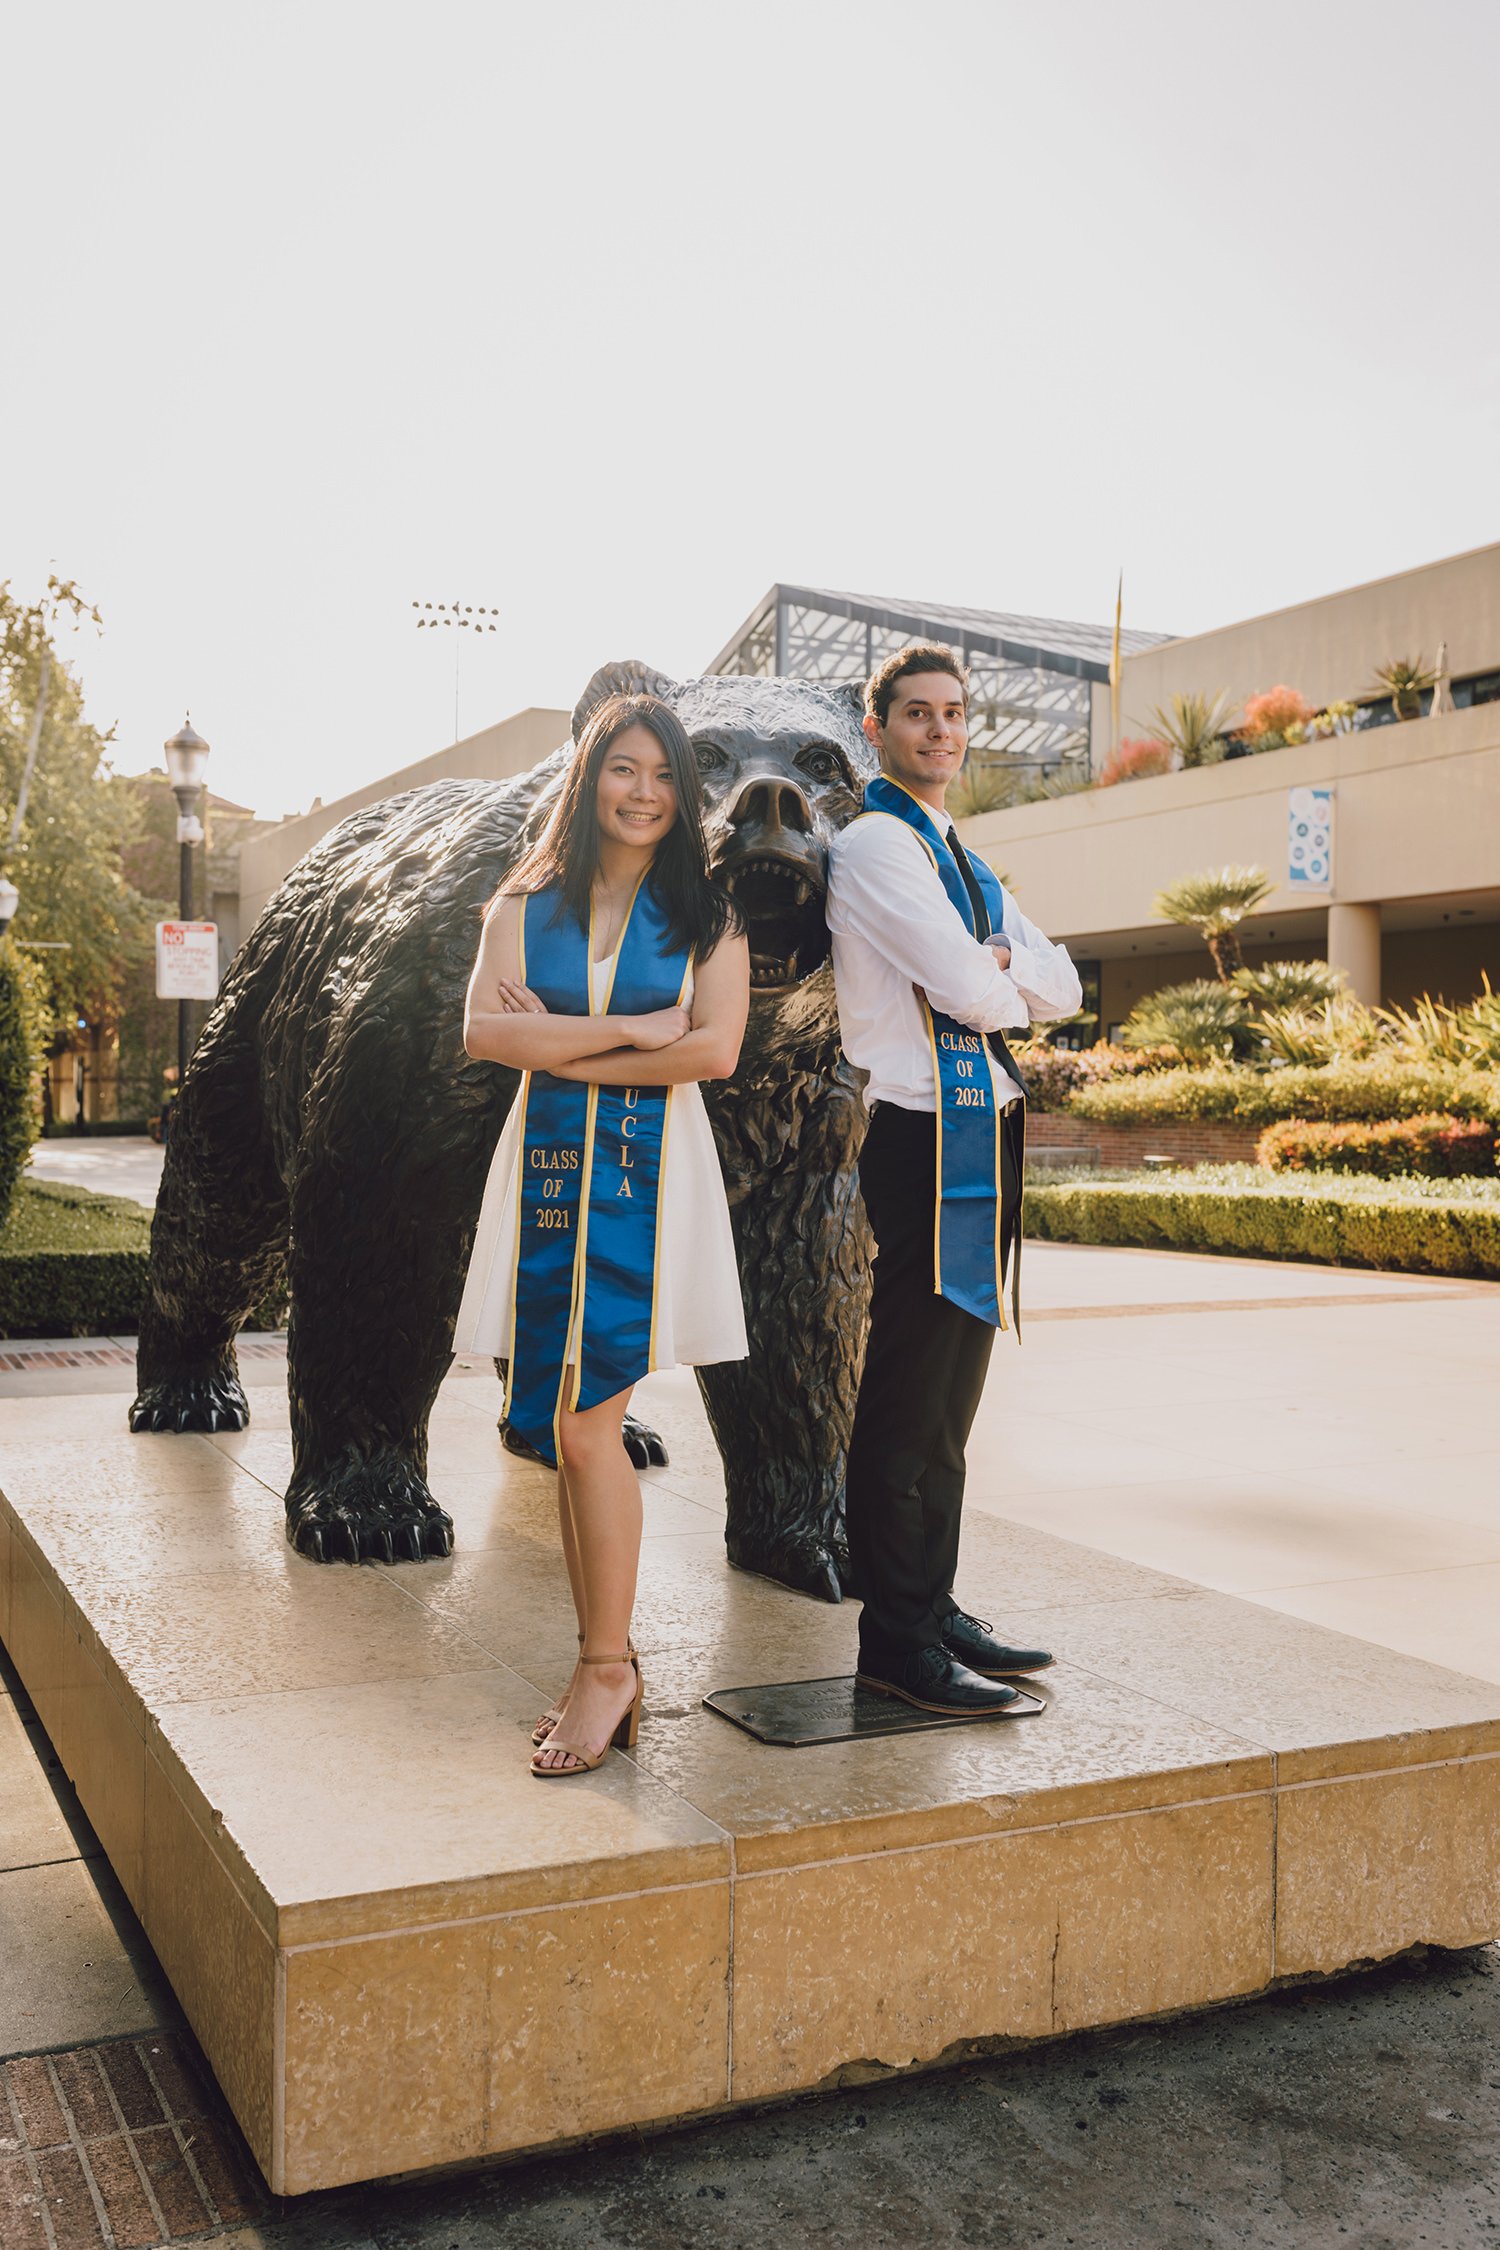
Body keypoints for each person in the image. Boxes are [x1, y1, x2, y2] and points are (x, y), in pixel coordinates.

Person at [458, 691, 750, 1776]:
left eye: (665, 775)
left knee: (584, 1429)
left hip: (650, 1182)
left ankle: (608, 1666)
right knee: (572, 1430)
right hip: (544, 1175)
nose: (644, 793)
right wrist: (630, 1027)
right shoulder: (521, 908)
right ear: (591, 781)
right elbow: (486, 1031)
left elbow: (712, 1053)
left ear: (686, 794)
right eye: (625, 770)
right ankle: (602, 1664)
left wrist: (558, 1044)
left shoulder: (708, 920)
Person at [827, 643, 1083, 1716]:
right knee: (910, 1391)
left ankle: (930, 1605)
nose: (941, 731)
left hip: (983, 1134)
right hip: (925, 1138)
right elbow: (981, 994)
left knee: (953, 1396)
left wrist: (1003, 972)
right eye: (918, 714)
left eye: (954, 714)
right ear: (877, 729)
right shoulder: (878, 845)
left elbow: (1058, 982)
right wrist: (1001, 973)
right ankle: (895, 1638)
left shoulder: (961, 858)